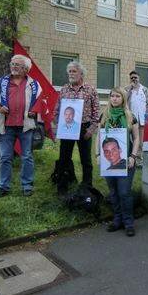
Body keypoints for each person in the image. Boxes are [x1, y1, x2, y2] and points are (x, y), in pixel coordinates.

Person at [0, 54, 41, 197]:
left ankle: (27, 186)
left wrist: (34, 110)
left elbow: (39, 100)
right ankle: (3, 187)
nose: (13, 66)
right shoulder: (2, 81)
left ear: (25, 68)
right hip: (7, 125)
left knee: (27, 156)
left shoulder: (33, 84)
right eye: (12, 63)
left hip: (26, 125)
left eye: (17, 64)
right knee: (5, 157)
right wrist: (0, 107)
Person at [54, 61, 100, 195]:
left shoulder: (90, 90)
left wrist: (91, 130)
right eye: (69, 71)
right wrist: (59, 127)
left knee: (86, 160)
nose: (71, 74)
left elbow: (96, 112)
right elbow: (57, 110)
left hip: (84, 129)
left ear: (81, 74)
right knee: (64, 158)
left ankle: (87, 187)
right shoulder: (63, 90)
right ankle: (62, 188)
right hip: (67, 128)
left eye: (74, 71)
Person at [100, 87, 140, 237]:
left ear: (123, 98)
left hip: (127, 160)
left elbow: (136, 138)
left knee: (124, 192)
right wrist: (98, 154)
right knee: (113, 192)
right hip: (108, 161)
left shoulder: (130, 116)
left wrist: (133, 156)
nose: (114, 98)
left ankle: (128, 222)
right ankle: (117, 220)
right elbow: (99, 136)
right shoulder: (104, 115)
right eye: (112, 96)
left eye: (118, 96)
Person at [124, 70, 148, 156]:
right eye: (132, 78)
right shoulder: (127, 89)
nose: (134, 79)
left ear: (139, 78)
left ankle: (140, 157)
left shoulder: (144, 89)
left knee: (141, 140)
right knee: (132, 138)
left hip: (142, 119)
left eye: (135, 77)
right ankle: (132, 155)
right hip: (131, 119)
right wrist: (130, 89)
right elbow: (124, 100)